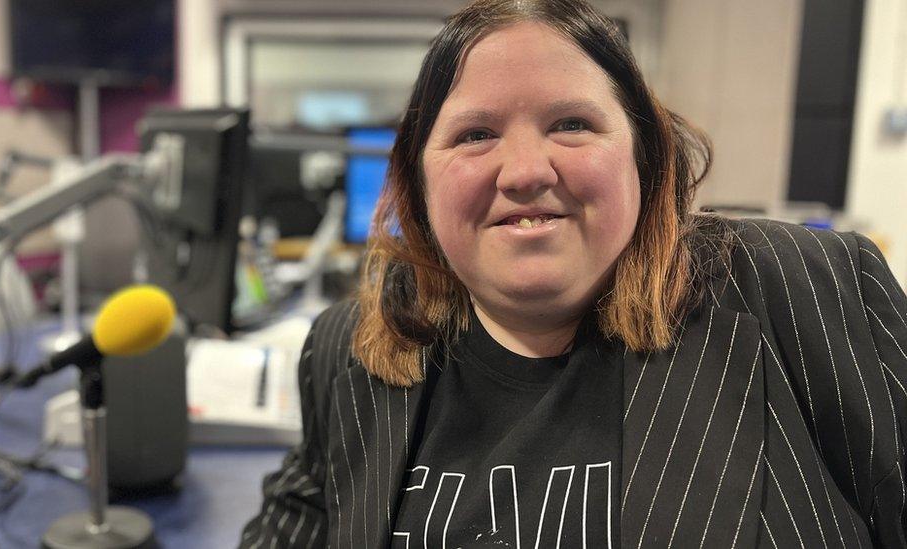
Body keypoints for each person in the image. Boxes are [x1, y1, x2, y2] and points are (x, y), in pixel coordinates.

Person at [240, 0, 907, 546]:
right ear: (417, 181)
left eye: (571, 123)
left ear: (645, 159)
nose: (526, 170)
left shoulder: (810, 288)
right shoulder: (348, 351)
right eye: (475, 134)